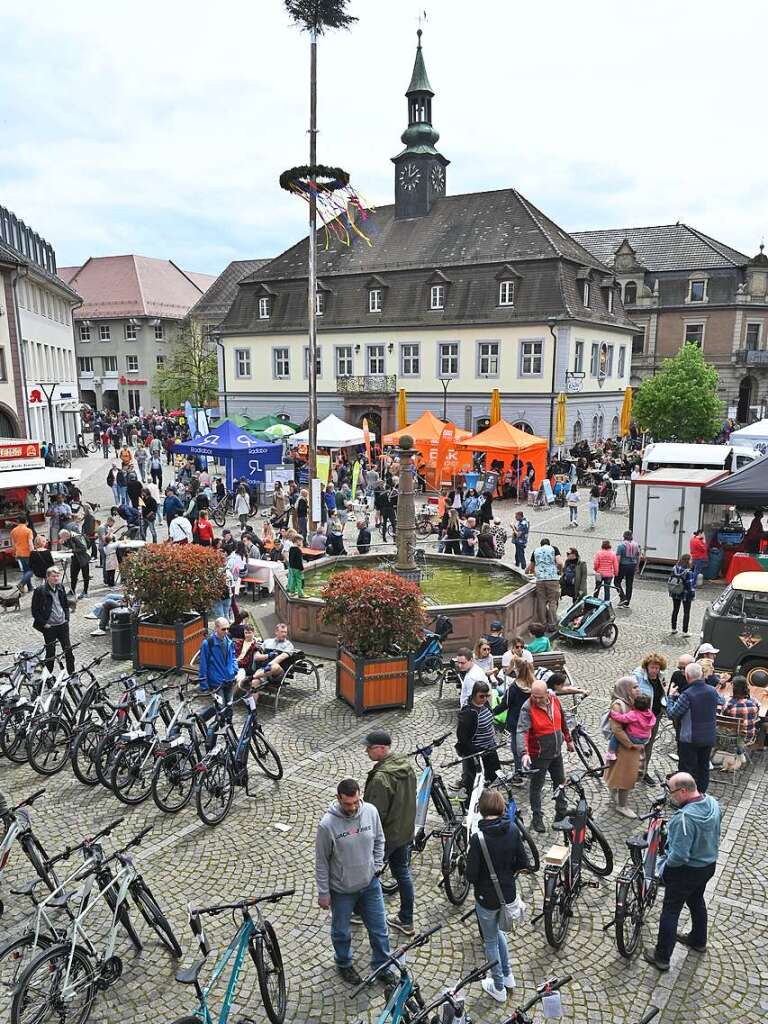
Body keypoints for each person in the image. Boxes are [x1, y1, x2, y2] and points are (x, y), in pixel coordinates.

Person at [314, 778, 391, 986]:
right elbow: (321, 861)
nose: (353, 807)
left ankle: (383, 965)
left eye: (356, 801)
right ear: (338, 798)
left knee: (379, 928)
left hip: (370, 885)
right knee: (341, 932)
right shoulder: (327, 825)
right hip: (342, 890)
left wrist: (376, 866)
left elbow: (379, 840)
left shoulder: (371, 812)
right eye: (348, 803)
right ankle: (344, 963)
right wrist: (323, 893)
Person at [643, 773, 721, 972]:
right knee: (696, 900)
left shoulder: (683, 819)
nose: (670, 796)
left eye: (672, 791)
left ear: (684, 791)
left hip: (687, 871)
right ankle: (698, 939)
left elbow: (679, 857)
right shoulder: (712, 802)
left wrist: (664, 869)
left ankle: (661, 956)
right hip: (708, 864)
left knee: (671, 910)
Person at [466, 788, 528, 1002]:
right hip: (508, 893)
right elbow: (523, 863)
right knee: (499, 934)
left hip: (486, 897)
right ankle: (508, 975)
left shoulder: (478, 838)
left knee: (490, 940)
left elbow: (471, 875)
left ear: (481, 810)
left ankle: (499, 986)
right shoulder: (512, 829)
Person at [363, 730, 417, 937]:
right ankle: (406, 919)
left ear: (382, 748)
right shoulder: (405, 765)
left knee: (367, 874)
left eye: (369, 747)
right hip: (404, 832)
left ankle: (361, 913)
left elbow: (373, 815)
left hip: (386, 837)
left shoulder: (381, 779)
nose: (366, 751)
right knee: (402, 873)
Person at [518, 680, 573, 832]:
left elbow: (562, 719)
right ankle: (537, 817)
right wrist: (524, 753)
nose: (536, 700)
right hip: (539, 756)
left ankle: (561, 814)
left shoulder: (555, 699)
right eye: (533, 696)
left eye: (539, 697)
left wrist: (568, 739)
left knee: (560, 782)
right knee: (536, 787)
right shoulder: (527, 707)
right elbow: (522, 731)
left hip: (556, 753)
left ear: (547, 694)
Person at [667, 662, 725, 793]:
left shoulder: (687, 695)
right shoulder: (712, 691)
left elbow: (672, 714)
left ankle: (688, 796)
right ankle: (701, 794)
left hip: (689, 739)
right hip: (708, 737)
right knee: (703, 767)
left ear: (687, 676)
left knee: (687, 770)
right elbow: (722, 702)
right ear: (702, 675)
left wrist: (671, 697)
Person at [604, 676, 643, 819]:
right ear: (625, 689)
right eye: (634, 687)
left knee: (623, 774)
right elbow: (617, 729)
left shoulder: (633, 702)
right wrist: (630, 744)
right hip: (624, 747)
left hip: (631, 746)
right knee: (625, 776)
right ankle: (622, 805)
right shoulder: (618, 705)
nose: (638, 689)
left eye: (637, 686)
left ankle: (617, 795)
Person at [456, 680, 500, 801]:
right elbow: (462, 737)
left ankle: (487, 801)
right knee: (474, 782)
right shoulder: (468, 713)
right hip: (477, 753)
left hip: (490, 748)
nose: (484, 699)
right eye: (481, 696)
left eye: (487, 696)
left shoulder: (485, 705)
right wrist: (476, 752)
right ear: (474, 694)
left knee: (493, 776)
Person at [197, 617, 238, 747]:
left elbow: (233, 657)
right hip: (216, 683)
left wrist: (234, 669)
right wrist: (204, 684)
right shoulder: (207, 644)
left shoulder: (229, 641)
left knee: (229, 707)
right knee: (220, 709)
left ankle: (228, 731)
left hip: (229, 680)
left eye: (227, 629)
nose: (226, 631)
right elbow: (203, 664)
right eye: (223, 629)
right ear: (216, 628)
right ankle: (212, 738)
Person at [31, 566, 75, 674]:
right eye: (53, 576)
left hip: (62, 625)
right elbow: (34, 611)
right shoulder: (40, 591)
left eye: (57, 576)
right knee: (50, 653)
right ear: (48, 577)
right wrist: (44, 623)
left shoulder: (60, 588)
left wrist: (66, 618)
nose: (56, 578)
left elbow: (65, 604)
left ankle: (72, 675)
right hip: (50, 627)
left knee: (68, 651)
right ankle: (47, 677)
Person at [631, 652, 667, 780]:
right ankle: (631, 770)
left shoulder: (661, 677)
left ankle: (643, 771)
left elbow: (662, 693)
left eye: (657, 668)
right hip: (640, 718)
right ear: (647, 666)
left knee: (649, 744)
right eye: (652, 667)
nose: (655, 670)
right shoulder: (638, 676)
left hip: (655, 716)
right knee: (636, 743)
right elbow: (632, 695)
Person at [527, 538, 562, 632]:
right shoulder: (554, 549)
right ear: (549, 544)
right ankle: (552, 624)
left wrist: (528, 572)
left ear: (541, 544)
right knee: (552, 602)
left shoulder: (536, 551)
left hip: (540, 579)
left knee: (541, 602)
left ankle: (542, 624)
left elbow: (531, 567)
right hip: (552, 579)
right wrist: (559, 571)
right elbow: (559, 562)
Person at [607, 693, 655, 761]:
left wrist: (613, 713)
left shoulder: (634, 715)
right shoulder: (650, 714)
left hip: (634, 738)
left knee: (615, 737)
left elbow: (622, 718)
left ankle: (611, 753)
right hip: (645, 739)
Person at [720, 675, 759, 745]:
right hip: (748, 738)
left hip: (730, 739)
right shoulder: (754, 702)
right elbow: (756, 716)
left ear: (733, 688)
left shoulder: (729, 704)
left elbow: (724, 717)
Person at [668, 553, 696, 636]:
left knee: (675, 610)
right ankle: (685, 631)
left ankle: (673, 628)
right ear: (688, 561)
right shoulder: (688, 572)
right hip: (685, 594)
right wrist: (692, 594)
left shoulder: (674, 568)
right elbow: (689, 586)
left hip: (675, 591)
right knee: (686, 612)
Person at [57, 528, 90, 598]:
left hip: (83, 558)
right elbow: (70, 545)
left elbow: (83, 548)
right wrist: (63, 543)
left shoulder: (76, 537)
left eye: (62, 538)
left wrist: (72, 550)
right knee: (73, 575)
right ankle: (72, 590)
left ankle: (85, 591)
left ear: (65, 535)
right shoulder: (69, 537)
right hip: (75, 558)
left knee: (85, 576)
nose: (62, 539)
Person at [615, 530, 641, 608]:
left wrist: (616, 568)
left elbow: (618, 558)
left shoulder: (621, 546)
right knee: (629, 584)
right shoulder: (636, 545)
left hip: (623, 565)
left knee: (617, 582)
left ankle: (622, 597)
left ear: (624, 536)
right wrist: (637, 566)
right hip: (632, 565)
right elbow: (638, 557)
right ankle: (627, 602)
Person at [10, 518, 34, 593]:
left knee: (26, 570)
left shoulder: (13, 531)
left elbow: (13, 544)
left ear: (18, 522)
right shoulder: (28, 530)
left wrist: (14, 553)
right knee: (32, 570)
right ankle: (21, 583)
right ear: (26, 522)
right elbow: (30, 543)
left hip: (19, 553)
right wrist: (33, 552)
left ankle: (30, 587)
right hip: (27, 553)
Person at [286, 532, 305, 597]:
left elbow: (290, 559)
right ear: (297, 541)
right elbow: (299, 561)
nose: (302, 543)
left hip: (292, 567)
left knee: (293, 580)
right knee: (299, 580)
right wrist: (302, 569)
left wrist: (291, 567)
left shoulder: (291, 548)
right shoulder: (298, 550)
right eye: (301, 541)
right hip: (297, 568)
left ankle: (292, 592)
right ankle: (301, 593)